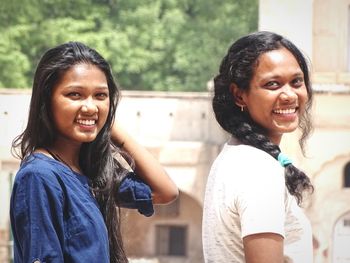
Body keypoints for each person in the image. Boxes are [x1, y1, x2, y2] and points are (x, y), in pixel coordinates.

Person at [10, 41, 178, 263]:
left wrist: (116, 133)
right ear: (47, 100)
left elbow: (165, 191)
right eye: (75, 95)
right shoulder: (40, 177)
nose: (90, 107)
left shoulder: (91, 171)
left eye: (100, 96)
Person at [202, 31, 314, 263]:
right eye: (272, 84)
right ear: (239, 95)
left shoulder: (237, 156)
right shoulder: (258, 170)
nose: (289, 95)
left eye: (296, 82)